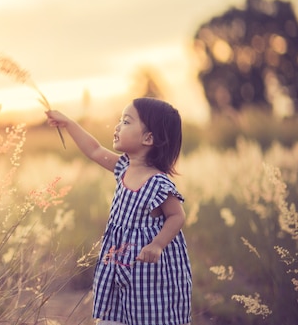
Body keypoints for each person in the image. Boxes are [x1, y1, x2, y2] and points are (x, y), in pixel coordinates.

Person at [46, 97, 192, 325]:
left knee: (148, 314)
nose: (117, 127)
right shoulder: (123, 167)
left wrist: (157, 244)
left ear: (148, 138)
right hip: (119, 261)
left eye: (126, 121)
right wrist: (67, 122)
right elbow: (94, 150)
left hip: (147, 269)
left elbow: (177, 215)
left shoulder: (158, 183)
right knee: (116, 312)